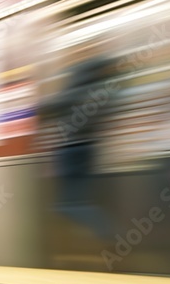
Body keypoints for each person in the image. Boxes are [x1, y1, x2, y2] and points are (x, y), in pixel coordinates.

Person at [41, 46, 116, 241]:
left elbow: (53, 105)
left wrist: (35, 106)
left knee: (67, 205)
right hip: (89, 149)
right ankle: (102, 236)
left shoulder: (76, 85)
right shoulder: (103, 91)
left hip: (70, 150)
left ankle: (108, 235)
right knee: (77, 201)